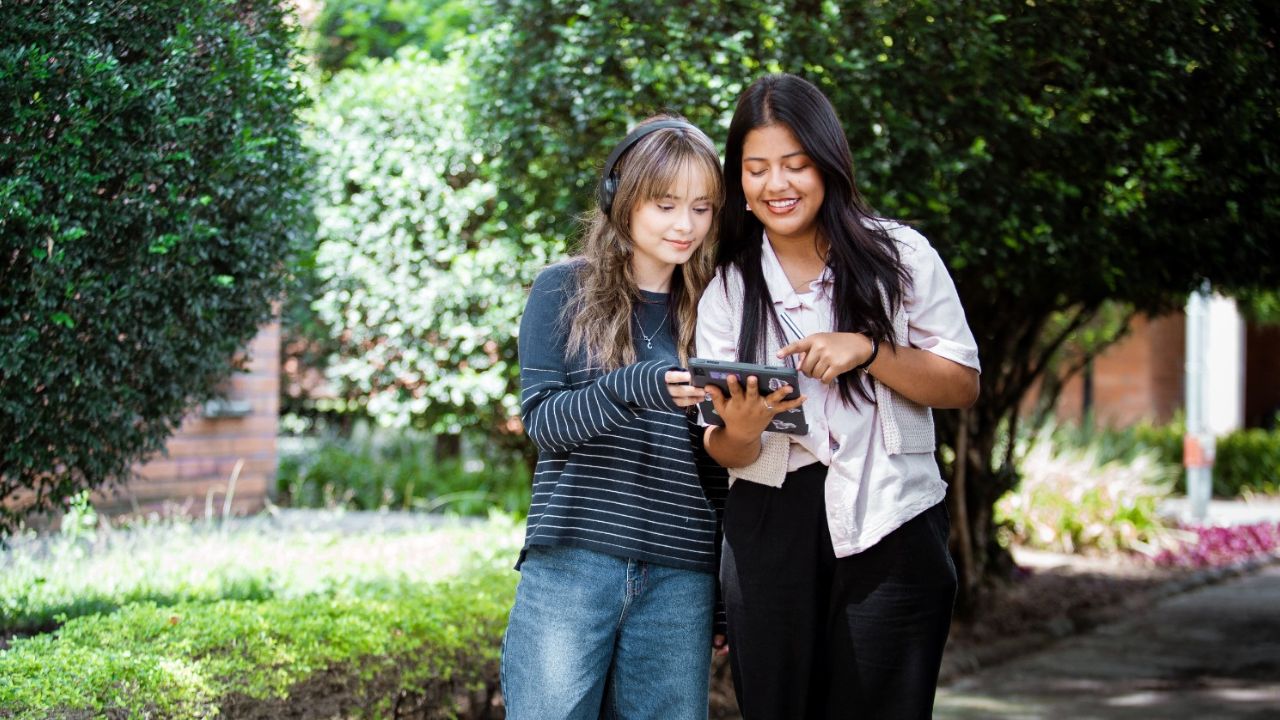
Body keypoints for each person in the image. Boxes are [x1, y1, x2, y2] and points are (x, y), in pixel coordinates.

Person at [695, 73, 981, 719]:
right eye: (757, 168)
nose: (777, 185)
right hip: (769, 526)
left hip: (893, 516)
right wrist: (740, 428)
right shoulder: (729, 290)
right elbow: (729, 451)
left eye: (795, 165)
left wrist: (871, 351)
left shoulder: (900, 258)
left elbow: (962, 383)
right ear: (738, 179)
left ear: (827, 164)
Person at [501, 114, 729, 720]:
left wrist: (724, 592)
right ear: (620, 199)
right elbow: (544, 424)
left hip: (681, 578)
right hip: (574, 563)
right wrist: (633, 385)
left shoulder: (715, 310)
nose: (685, 225)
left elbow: (719, 468)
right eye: (665, 204)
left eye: (702, 208)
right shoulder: (561, 290)